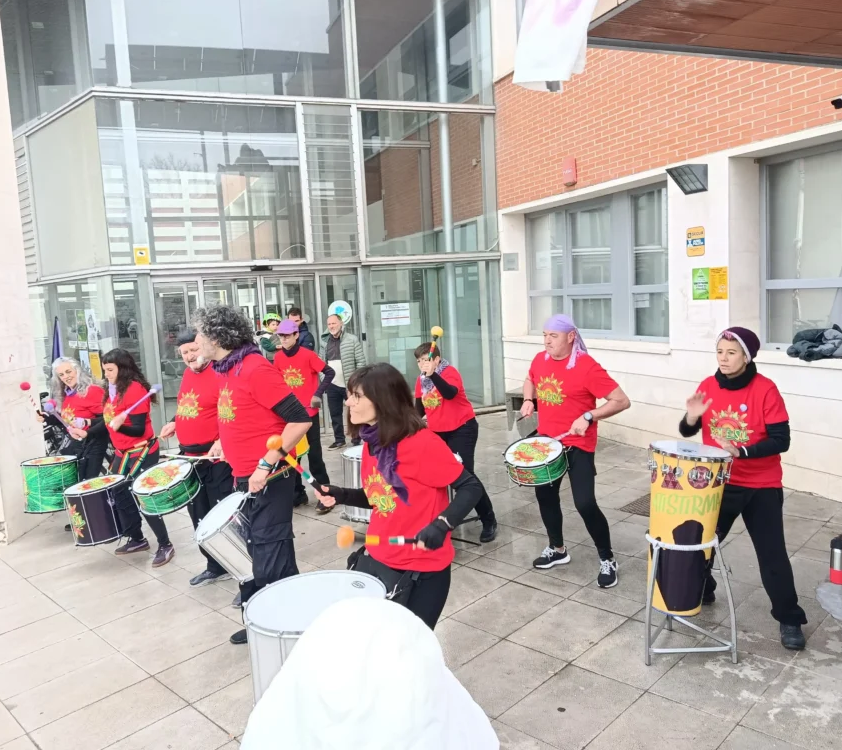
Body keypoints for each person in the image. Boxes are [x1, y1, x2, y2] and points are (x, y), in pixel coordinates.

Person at [317, 363, 489, 630]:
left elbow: (471, 487)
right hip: (378, 559)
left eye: (357, 396)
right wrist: (342, 495)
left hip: (421, 570)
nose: (349, 401)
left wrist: (442, 523)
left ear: (383, 400)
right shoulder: (372, 443)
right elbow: (380, 499)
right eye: (350, 394)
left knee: (410, 655)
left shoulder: (421, 444)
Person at [679, 326, 808, 650]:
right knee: (700, 541)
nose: (723, 358)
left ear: (747, 357)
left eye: (731, 353)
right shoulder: (708, 386)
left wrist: (743, 451)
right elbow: (686, 429)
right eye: (720, 352)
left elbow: (782, 440)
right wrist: (692, 418)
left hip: (760, 484)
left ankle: (789, 618)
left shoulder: (765, 390)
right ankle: (704, 587)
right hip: (718, 481)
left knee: (772, 554)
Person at [193, 304, 313, 645]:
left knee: (269, 554)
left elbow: (300, 419)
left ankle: (277, 625)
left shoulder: (255, 368)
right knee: (263, 553)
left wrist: (265, 463)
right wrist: (221, 440)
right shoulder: (225, 369)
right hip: (243, 474)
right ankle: (281, 621)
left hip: (270, 478)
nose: (197, 341)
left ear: (218, 336)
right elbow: (239, 413)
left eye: (201, 334)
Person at [239, 597, 499, 750]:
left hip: (424, 560)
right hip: (385, 555)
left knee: (406, 664)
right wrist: (345, 499)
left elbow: (462, 501)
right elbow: (381, 507)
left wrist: (445, 523)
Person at [520, 314, 631, 588]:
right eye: (545, 334)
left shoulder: (586, 366)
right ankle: (557, 550)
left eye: (553, 336)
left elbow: (621, 400)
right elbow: (529, 379)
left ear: (570, 337)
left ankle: (607, 559)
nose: (547, 340)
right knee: (545, 497)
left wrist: (590, 416)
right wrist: (527, 400)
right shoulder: (539, 359)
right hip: (547, 443)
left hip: (578, 444)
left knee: (584, 503)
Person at [158, 330, 233, 587]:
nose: (190, 356)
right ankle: (215, 565)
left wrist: (222, 440)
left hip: (216, 459)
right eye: (184, 353)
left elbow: (232, 411)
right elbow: (186, 407)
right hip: (190, 458)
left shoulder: (221, 373)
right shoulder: (189, 374)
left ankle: (242, 570)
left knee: (222, 515)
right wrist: (173, 423)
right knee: (198, 513)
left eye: (193, 350)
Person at [414, 343, 497, 543]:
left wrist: (433, 375)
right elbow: (419, 410)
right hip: (438, 432)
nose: (422, 364)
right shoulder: (421, 381)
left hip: (462, 428)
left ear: (437, 359)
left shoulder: (450, 372)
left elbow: (449, 393)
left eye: (426, 359)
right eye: (419, 361)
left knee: (465, 477)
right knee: (437, 475)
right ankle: (442, 519)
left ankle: (489, 519)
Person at [101, 349, 175, 568]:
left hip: (141, 451)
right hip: (121, 453)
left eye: (110, 370)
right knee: (119, 494)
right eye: (104, 370)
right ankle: (136, 538)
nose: (106, 374)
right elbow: (105, 419)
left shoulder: (134, 390)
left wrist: (120, 423)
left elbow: (138, 429)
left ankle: (165, 544)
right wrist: (86, 428)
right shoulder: (112, 391)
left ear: (122, 369)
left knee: (144, 497)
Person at [38, 357, 108, 531]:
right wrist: (47, 418)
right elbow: (66, 421)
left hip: (94, 442)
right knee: (77, 482)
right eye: (61, 374)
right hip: (77, 444)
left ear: (78, 370)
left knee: (89, 482)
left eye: (68, 372)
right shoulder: (67, 394)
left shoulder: (92, 391)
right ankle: (82, 519)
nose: (66, 377)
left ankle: (97, 522)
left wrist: (87, 426)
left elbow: (107, 418)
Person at [273, 319, 334, 512]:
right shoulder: (278, 358)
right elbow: (276, 383)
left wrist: (318, 393)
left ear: (296, 335)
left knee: (314, 456)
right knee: (291, 457)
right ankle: (297, 494)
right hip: (289, 415)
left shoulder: (308, 355)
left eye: (287, 335)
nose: (283, 339)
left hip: (308, 414)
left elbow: (329, 372)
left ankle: (326, 496)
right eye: (281, 336)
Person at [320, 313, 367, 450]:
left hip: (349, 383)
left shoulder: (352, 340)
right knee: (335, 413)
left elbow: (361, 362)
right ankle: (339, 440)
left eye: (334, 323)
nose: (331, 326)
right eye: (329, 324)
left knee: (354, 411)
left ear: (341, 324)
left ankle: (356, 438)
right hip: (332, 383)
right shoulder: (324, 342)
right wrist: (324, 379)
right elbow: (320, 363)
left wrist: (356, 382)